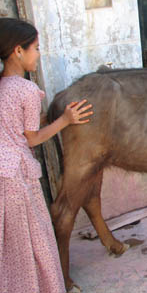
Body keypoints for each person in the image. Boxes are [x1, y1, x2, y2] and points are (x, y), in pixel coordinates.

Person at [0, 17, 93, 293]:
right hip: (17, 179)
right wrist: (66, 119)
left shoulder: (3, 86)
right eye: (36, 48)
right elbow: (33, 138)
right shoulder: (26, 90)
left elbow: (14, 127)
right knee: (36, 243)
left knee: (11, 249)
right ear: (19, 51)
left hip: (2, 174)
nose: (39, 55)